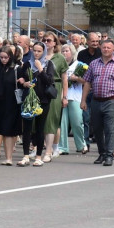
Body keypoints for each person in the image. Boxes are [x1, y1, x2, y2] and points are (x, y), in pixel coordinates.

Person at [81, 39, 114, 167]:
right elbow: (87, 82)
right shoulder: (94, 63)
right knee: (96, 129)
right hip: (96, 100)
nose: (106, 49)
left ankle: (109, 155)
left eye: (109, 48)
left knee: (110, 129)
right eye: (104, 47)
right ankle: (101, 153)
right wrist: (83, 100)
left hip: (112, 101)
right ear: (100, 49)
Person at [17, 42, 54, 166]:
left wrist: (40, 69)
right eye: (35, 50)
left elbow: (49, 81)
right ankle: (26, 156)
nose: (36, 53)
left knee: (40, 128)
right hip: (29, 100)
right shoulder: (27, 64)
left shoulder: (48, 64)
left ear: (43, 52)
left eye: (39, 51)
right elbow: (20, 79)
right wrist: (23, 83)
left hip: (43, 100)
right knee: (27, 128)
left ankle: (39, 156)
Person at [0, 45, 22, 165]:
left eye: (5, 57)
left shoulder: (16, 69)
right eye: (1, 57)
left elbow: (23, 84)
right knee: (1, 130)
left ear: (10, 57)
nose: (3, 60)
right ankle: (8, 157)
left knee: (9, 131)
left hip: (12, 103)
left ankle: (9, 158)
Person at [40, 33, 67, 162]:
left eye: (49, 40)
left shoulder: (59, 58)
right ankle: (37, 148)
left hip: (54, 87)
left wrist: (64, 96)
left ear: (55, 43)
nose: (46, 42)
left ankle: (49, 150)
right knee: (38, 119)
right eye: (44, 40)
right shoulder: (39, 55)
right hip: (39, 88)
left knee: (51, 120)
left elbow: (64, 78)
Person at [57, 43, 88, 155]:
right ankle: (63, 147)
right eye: (63, 51)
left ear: (73, 52)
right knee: (62, 123)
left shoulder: (79, 65)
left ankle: (81, 145)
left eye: (67, 51)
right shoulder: (60, 65)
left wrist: (77, 78)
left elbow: (87, 80)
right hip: (62, 96)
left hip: (75, 96)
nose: (65, 53)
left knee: (77, 122)